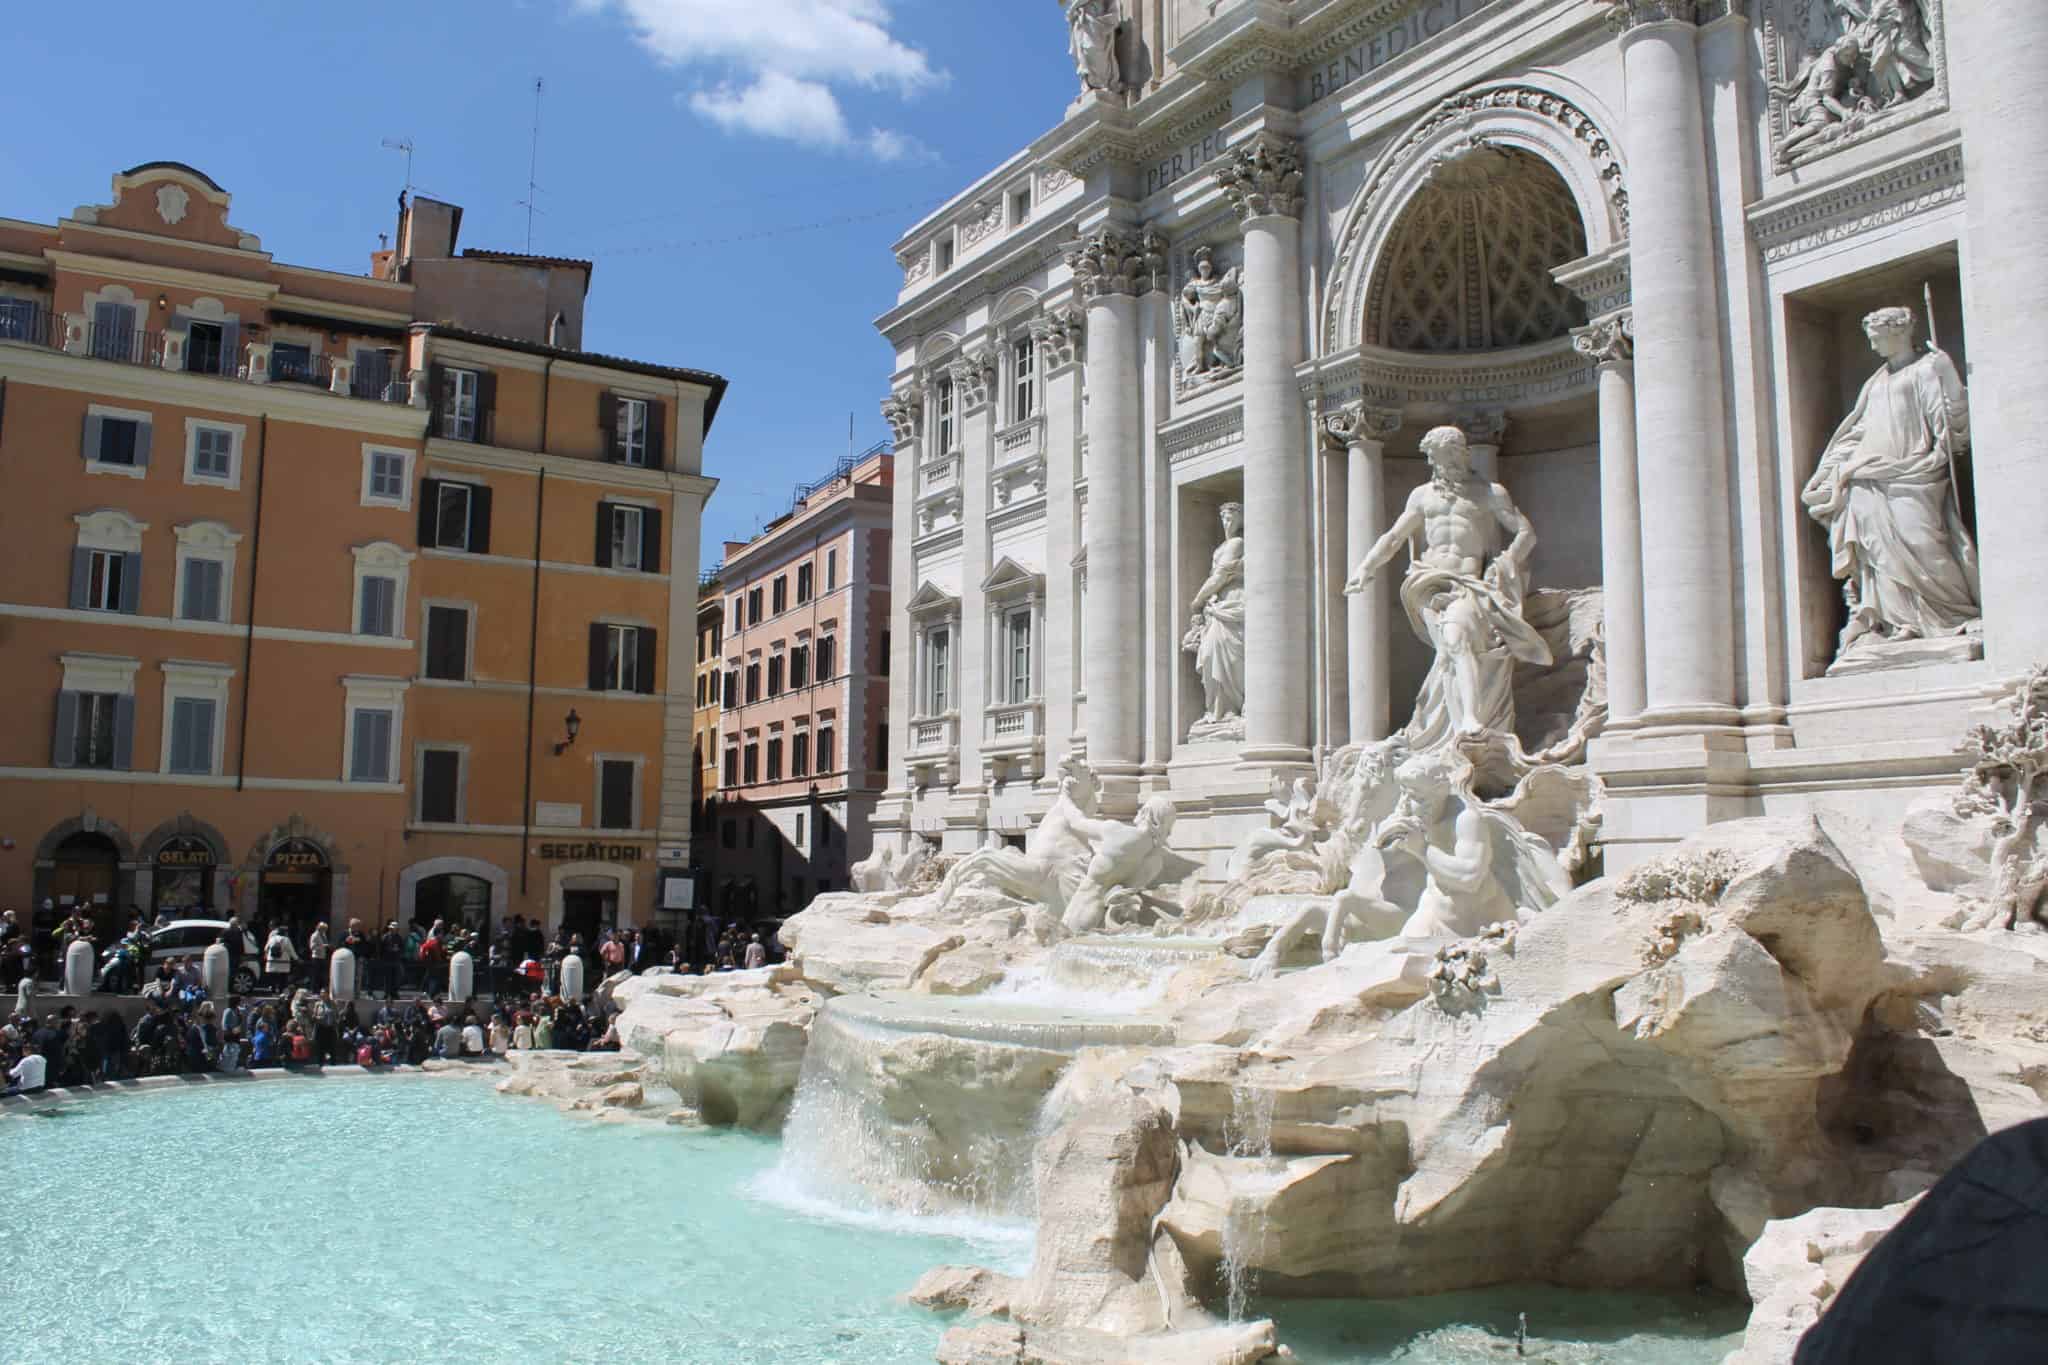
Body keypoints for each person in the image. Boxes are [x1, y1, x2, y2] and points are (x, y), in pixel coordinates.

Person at [1345, 425, 1550, 752]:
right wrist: (1366, 568)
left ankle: (1459, 723)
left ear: (1464, 453)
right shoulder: (1422, 496)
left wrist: (1507, 559)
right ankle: (1458, 723)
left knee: (1455, 642)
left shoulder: (1489, 492)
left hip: (1468, 583)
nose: (1446, 465)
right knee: (1451, 647)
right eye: (1439, 459)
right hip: (1427, 583)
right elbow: (1394, 537)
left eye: (1452, 457)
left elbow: (1526, 533)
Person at [1801, 305, 1978, 658]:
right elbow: (1858, 430)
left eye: (1877, 338)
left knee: (1923, 540)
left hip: (1915, 472)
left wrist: (1949, 376)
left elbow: (1952, 422)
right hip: (1868, 478)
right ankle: (1897, 623)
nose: (1872, 347)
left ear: (1898, 333)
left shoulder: (1926, 369)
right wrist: (1831, 470)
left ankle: (1953, 614)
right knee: (1877, 553)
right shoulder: (1877, 380)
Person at [263, 925, 299, 992]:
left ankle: (273, 989)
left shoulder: (272, 938)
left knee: (273, 976)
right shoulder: (286, 940)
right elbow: (291, 951)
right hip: (283, 963)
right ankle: (281, 990)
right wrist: (296, 958)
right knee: (283, 977)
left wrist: (266, 956)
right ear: (285, 932)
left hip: (272, 961)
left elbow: (266, 948)